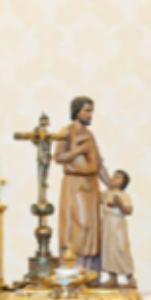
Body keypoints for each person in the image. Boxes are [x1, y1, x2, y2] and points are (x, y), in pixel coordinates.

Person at [54, 96, 114, 270]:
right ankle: (74, 266)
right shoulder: (67, 132)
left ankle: (89, 270)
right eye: (87, 111)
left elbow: (98, 162)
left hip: (91, 184)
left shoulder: (89, 135)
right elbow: (58, 157)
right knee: (79, 224)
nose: (90, 115)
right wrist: (80, 149)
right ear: (76, 111)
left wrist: (110, 184)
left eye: (91, 111)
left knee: (92, 228)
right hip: (75, 184)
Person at [99, 169, 135, 287]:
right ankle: (112, 277)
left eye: (118, 177)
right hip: (107, 224)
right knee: (109, 250)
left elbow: (129, 210)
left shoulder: (123, 195)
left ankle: (130, 277)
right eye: (114, 176)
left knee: (121, 249)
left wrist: (119, 203)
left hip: (118, 224)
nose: (114, 179)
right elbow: (96, 198)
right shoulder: (106, 193)